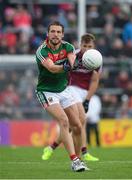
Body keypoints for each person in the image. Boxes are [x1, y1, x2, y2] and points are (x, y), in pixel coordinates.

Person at [35, 21, 87, 172]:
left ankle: (78, 161)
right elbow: (51, 68)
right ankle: (75, 160)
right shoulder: (42, 51)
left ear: (62, 34)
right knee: (64, 121)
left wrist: (73, 64)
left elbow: (71, 59)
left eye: (58, 32)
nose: (55, 34)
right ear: (48, 33)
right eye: (53, 31)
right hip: (46, 91)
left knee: (77, 125)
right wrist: (66, 67)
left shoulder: (68, 47)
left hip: (64, 90)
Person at [42, 33, 101, 162]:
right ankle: (83, 154)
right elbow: (64, 70)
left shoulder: (96, 58)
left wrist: (88, 100)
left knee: (75, 125)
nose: (86, 48)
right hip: (70, 89)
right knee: (81, 121)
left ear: (93, 46)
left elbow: (95, 81)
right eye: (84, 45)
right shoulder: (74, 55)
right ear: (80, 45)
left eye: (89, 46)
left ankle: (51, 147)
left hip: (84, 92)